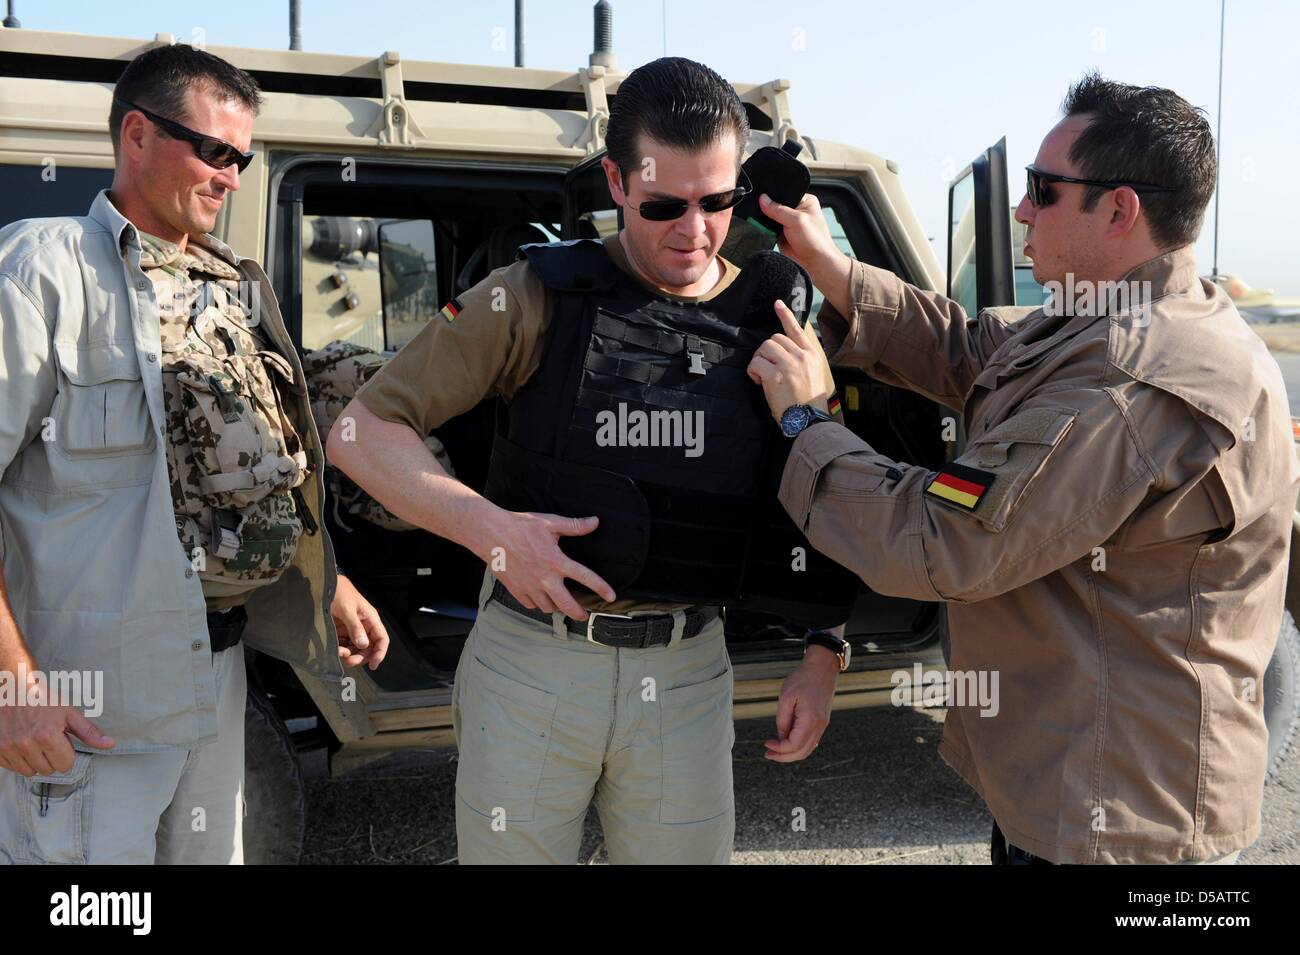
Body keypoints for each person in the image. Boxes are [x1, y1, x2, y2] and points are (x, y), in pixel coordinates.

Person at [747, 71, 1298, 864]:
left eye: (1043, 190)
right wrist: (833, 271)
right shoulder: (1105, 315)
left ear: (1119, 209)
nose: (1020, 210)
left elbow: (942, 539)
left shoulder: (1133, 382)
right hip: (1075, 791)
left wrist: (806, 422)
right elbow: (973, 352)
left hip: (1121, 827)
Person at [329, 57, 844, 865]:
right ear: (615, 178)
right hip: (537, 664)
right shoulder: (533, 296)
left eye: (717, 202)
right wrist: (492, 533)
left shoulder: (769, 313)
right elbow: (361, 432)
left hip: (686, 671)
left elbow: (824, 491)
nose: (694, 230)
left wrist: (824, 651)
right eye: (664, 205)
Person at [0, 44, 388, 865]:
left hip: (214, 674)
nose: (233, 176)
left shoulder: (227, 288)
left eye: (242, 158)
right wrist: (15, 688)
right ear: (136, 135)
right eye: (215, 151)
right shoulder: (41, 274)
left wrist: (328, 580)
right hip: (86, 702)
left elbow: (247, 470)